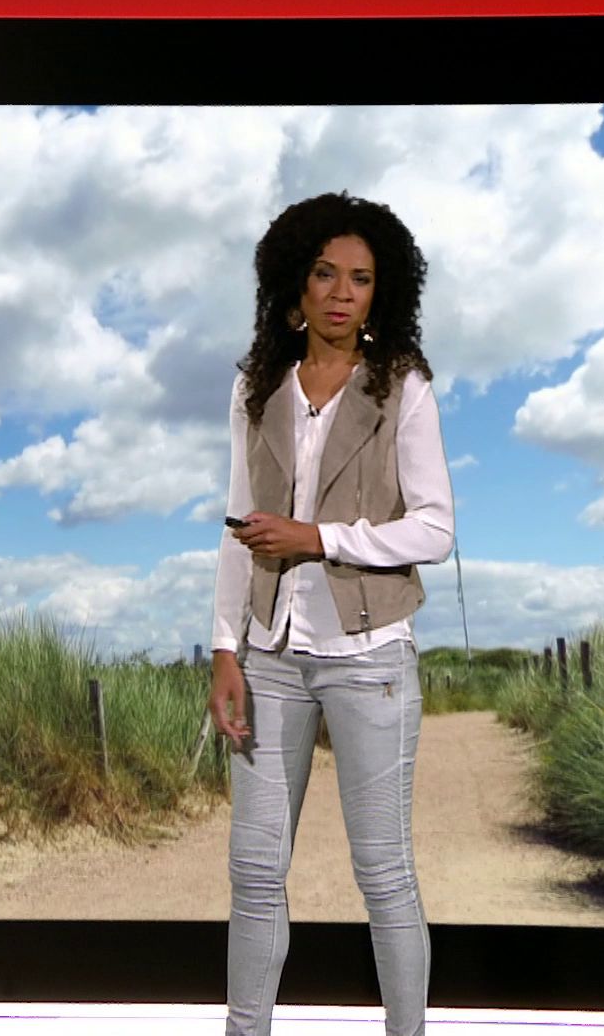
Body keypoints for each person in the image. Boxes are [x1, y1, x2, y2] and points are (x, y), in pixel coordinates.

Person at [209, 191, 455, 1036]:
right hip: (268, 657)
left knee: (383, 874)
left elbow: (435, 529)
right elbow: (236, 526)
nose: (342, 292)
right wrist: (225, 647)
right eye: (324, 273)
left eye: (361, 277)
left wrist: (319, 538)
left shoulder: (403, 386)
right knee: (253, 872)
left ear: (381, 293)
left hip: (371, 658)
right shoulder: (256, 389)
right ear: (295, 284)